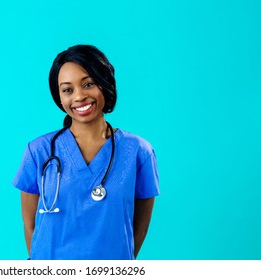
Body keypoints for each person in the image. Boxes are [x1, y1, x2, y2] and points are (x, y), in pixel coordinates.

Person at [12, 45, 159, 260]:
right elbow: (30, 225)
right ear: (59, 97)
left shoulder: (138, 151)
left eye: (88, 84)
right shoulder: (39, 151)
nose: (79, 96)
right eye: (67, 90)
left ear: (105, 84)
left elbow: (139, 228)